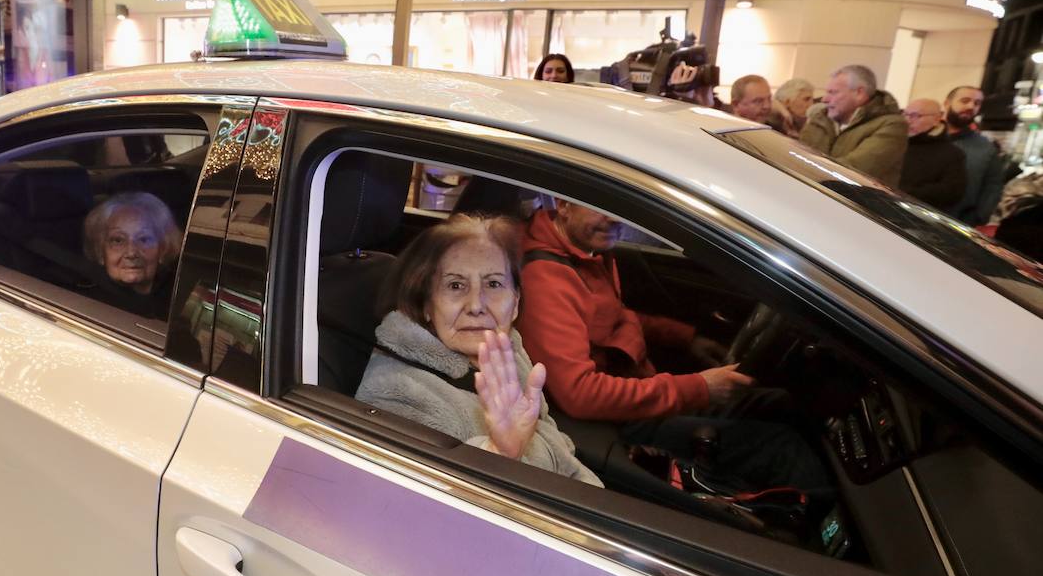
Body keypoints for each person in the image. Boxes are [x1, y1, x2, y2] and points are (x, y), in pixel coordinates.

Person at [516, 200, 828, 494]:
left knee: (778, 402)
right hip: (622, 425)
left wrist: (686, 339)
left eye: (617, 206)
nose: (613, 217)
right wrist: (700, 388)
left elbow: (612, 318)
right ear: (563, 204)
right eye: (598, 206)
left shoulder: (583, 251)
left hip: (640, 391)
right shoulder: (546, 279)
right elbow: (580, 395)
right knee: (783, 448)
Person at [355, 214, 603, 486]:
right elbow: (421, 504)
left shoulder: (509, 352)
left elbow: (557, 450)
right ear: (427, 304)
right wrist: (497, 454)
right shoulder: (394, 393)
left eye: (494, 284)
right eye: (456, 285)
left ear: (516, 301)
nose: (476, 305)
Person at [799, 65, 908, 187]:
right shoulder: (820, 119)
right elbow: (797, 155)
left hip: (855, 202)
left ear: (859, 93)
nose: (825, 99)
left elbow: (856, 169)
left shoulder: (892, 125)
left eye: (833, 92)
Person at [82, 192, 182, 320]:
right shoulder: (90, 307)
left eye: (144, 239)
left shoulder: (180, 296)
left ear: (163, 249)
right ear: (101, 252)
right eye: (118, 240)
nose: (131, 253)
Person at [943, 86, 1007, 225]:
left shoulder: (986, 148)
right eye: (965, 100)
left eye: (977, 103)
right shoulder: (926, 138)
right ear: (947, 103)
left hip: (956, 224)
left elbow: (993, 186)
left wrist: (978, 217)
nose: (971, 106)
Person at [900, 99, 966, 211]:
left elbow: (951, 192)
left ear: (936, 119)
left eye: (915, 115)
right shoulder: (896, 143)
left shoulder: (952, 154)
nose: (908, 120)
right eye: (905, 114)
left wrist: (902, 192)